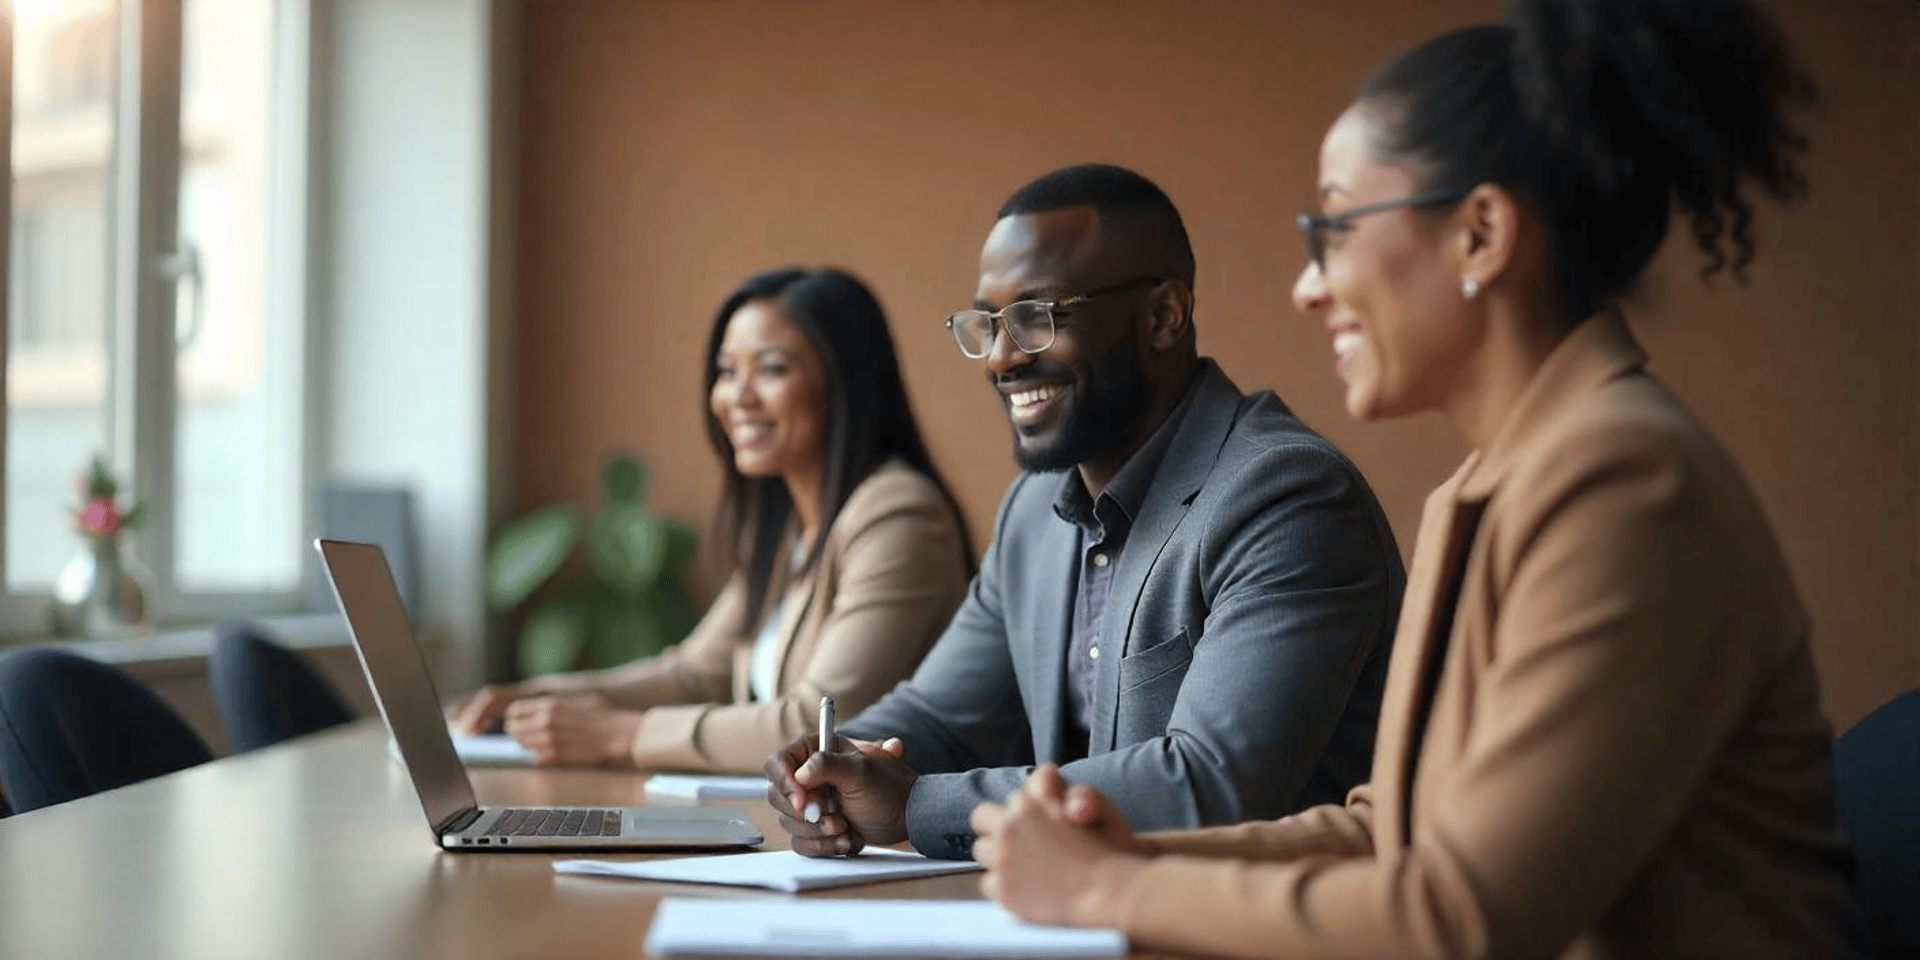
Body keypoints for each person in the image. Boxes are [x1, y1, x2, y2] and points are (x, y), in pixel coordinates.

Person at [967, 2, 1866, 957]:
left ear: (1481, 234)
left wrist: (1114, 890)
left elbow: (1461, 916)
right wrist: (1134, 856)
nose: (1309, 286)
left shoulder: (1627, 484)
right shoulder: (1489, 488)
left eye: (1336, 231)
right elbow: (1389, 830)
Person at [768, 163, 1405, 860]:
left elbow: (1210, 783)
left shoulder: (1286, 497)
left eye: (1037, 318)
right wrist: (828, 765)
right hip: (1077, 913)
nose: (1001, 358)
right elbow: (942, 717)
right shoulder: (1035, 509)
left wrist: (916, 807)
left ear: (1164, 315)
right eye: (985, 324)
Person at [451, 267, 974, 773]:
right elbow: (694, 673)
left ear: (847, 384)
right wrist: (535, 698)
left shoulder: (897, 514)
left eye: (771, 369)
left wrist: (620, 734)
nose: (737, 398)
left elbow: (816, 726)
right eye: (727, 372)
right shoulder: (791, 527)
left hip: (889, 848)